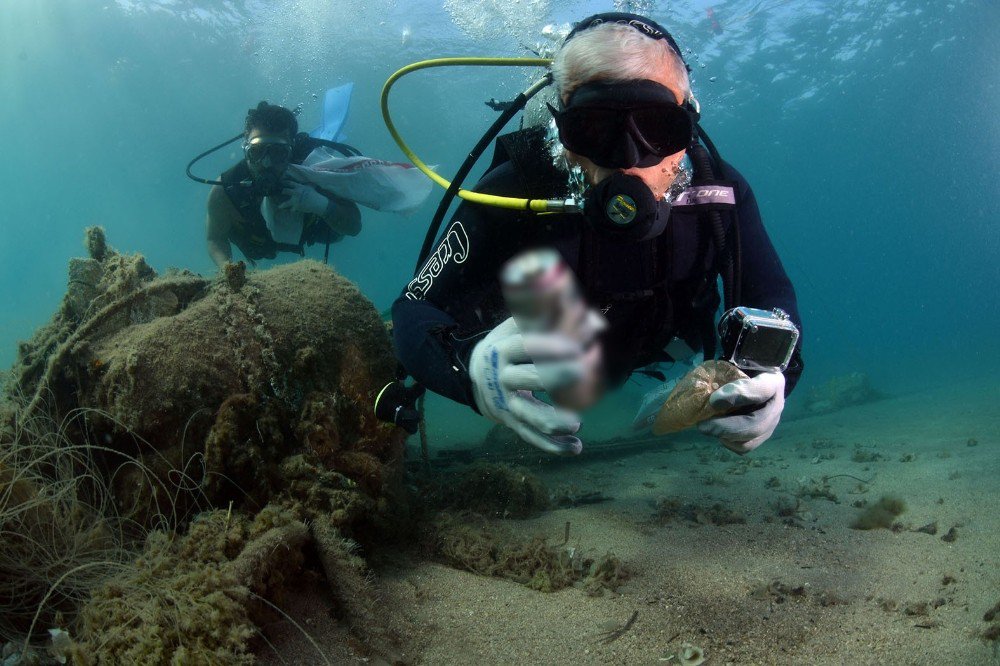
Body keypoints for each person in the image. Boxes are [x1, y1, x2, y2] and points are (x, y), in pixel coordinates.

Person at [390, 12, 803, 456]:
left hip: (660, 342)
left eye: (659, 127)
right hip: (541, 356)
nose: (628, 161)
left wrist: (777, 379)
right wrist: (466, 368)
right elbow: (414, 310)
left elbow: (773, 303)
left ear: (688, 131)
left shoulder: (719, 194)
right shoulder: (512, 192)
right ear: (562, 133)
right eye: (593, 129)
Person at [206, 101, 361, 268]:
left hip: (308, 229)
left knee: (335, 235)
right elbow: (215, 238)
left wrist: (322, 205)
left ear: (291, 152)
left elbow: (354, 227)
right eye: (256, 152)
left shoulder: (314, 174)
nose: (266, 163)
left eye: (278, 153)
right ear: (246, 150)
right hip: (257, 241)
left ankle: (325, 142)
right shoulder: (227, 190)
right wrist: (228, 271)